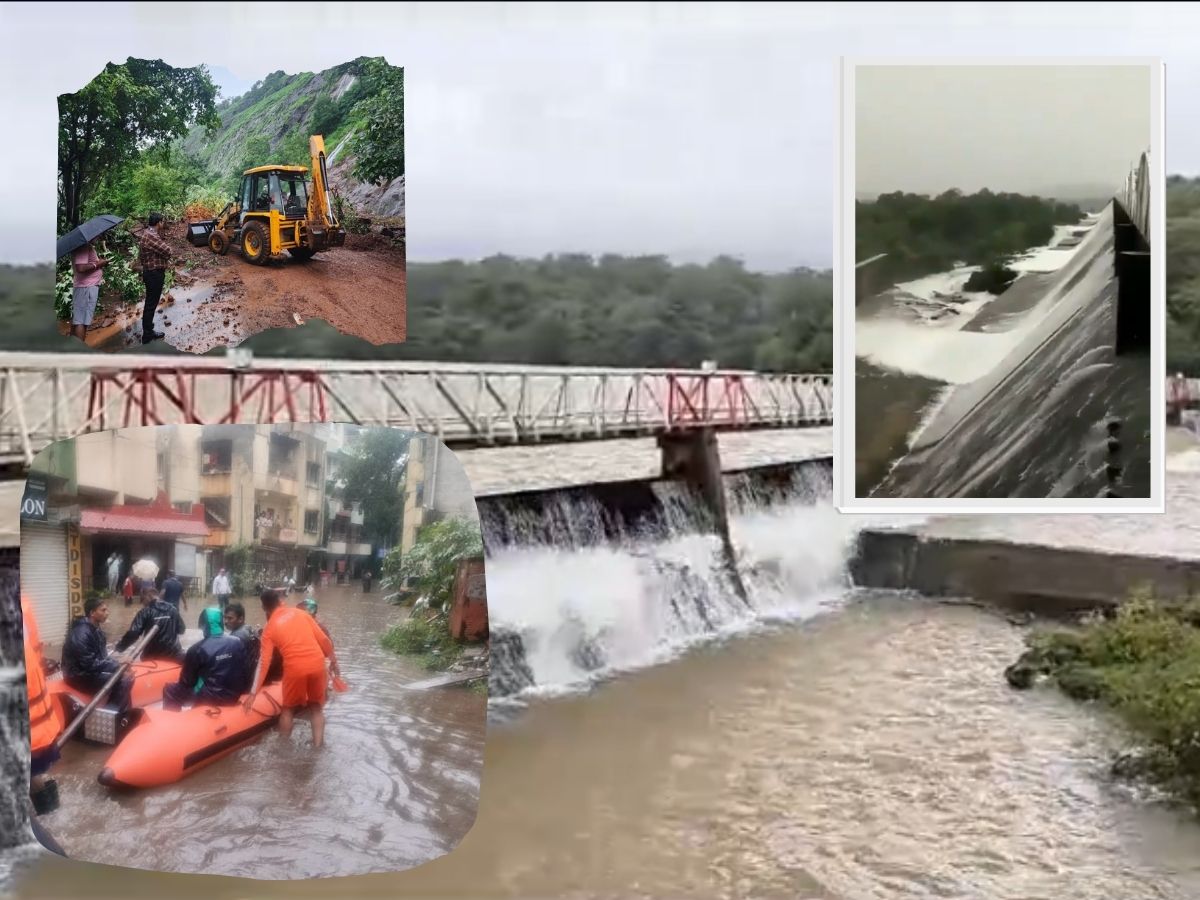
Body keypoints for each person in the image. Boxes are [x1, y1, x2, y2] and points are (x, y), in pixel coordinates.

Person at [244, 589, 341, 748]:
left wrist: (253, 693)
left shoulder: (269, 629)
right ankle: (318, 747)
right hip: (317, 664)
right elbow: (324, 640)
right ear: (280, 601)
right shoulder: (301, 614)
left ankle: (283, 748)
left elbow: (264, 663)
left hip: (295, 668)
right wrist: (334, 661)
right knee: (316, 708)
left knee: (288, 709)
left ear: (264, 608)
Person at [22, 593, 65, 816]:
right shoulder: (22, 603)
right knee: (30, 772)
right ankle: (51, 815)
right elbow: (36, 650)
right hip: (34, 720)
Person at [163, 608, 248, 710]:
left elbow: (186, 682)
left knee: (170, 689)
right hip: (234, 694)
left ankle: (173, 722)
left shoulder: (196, 649)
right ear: (221, 622)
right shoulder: (237, 641)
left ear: (203, 625)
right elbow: (243, 669)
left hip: (210, 697)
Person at [62, 598, 132, 712]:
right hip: (77, 676)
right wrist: (117, 663)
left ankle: (123, 711)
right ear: (92, 613)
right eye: (103, 610)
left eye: (107, 610)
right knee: (124, 680)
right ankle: (110, 713)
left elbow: (102, 658)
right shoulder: (81, 633)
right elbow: (89, 664)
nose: (107, 613)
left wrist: (118, 664)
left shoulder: (97, 630)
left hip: (87, 671)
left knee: (125, 674)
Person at [115, 587, 186, 663]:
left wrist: (119, 647)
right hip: (173, 654)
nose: (142, 603)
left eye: (142, 599)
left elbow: (133, 633)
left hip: (151, 655)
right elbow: (181, 630)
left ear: (148, 596)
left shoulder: (145, 612)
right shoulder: (173, 609)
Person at [135, 212, 172, 344]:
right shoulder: (151, 236)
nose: (163, 224)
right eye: (162, 222)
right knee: (151, 304)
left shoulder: (148, 234)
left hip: (150, 272)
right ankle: (147, 335)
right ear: (158, 223)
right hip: (154, 274)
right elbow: (168, 251)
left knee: (150, 303)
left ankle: (148, 330)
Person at [70, 238, 109, 342]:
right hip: (86, 288)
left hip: (85, 287)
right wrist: (99, 264)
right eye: (97, 235)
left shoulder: (85, 246)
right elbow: (81, 268)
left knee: (78, 318)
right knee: (81, 321)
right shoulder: (83, 247)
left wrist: (99, 262)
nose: (98, 237)